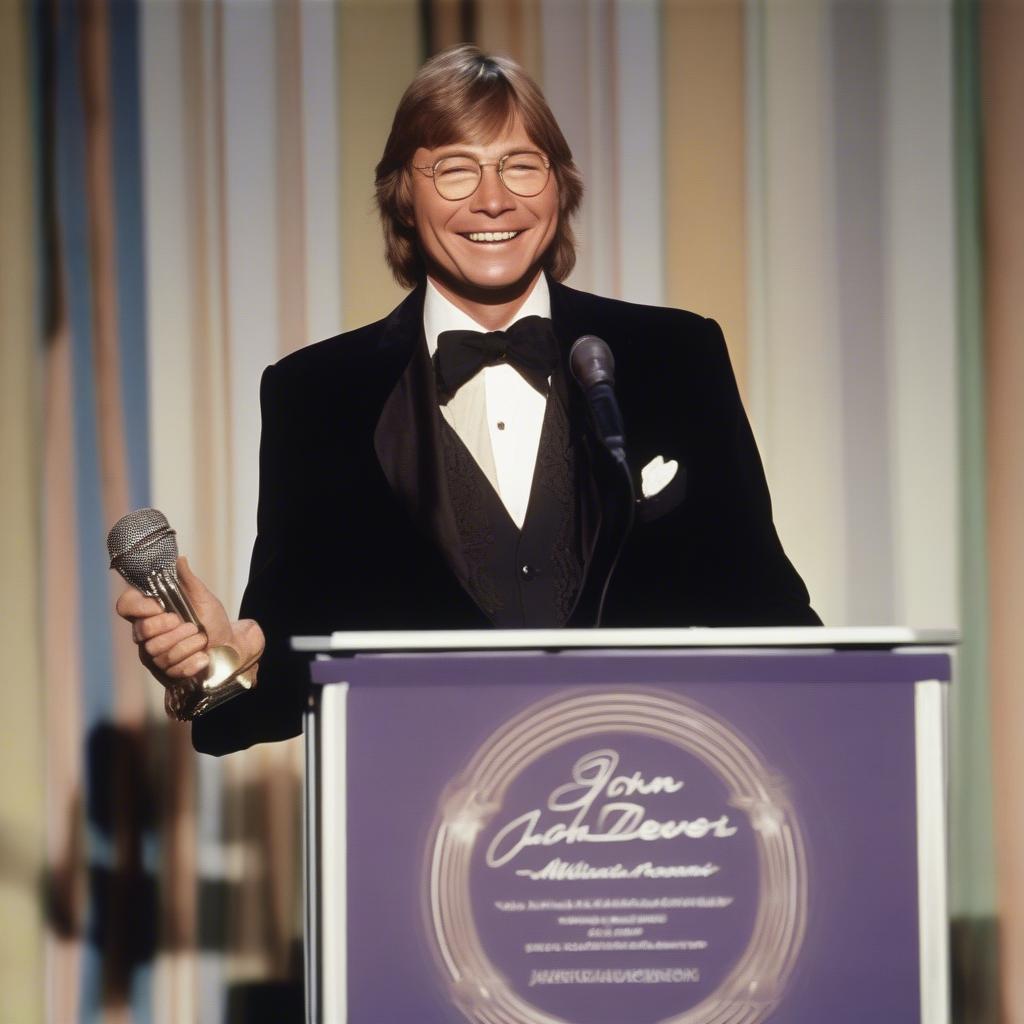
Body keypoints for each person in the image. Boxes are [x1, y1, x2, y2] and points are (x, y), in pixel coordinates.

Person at [115, 45, 819, 757]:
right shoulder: (317, 395)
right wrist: (216, 666)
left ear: (559, 187)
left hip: (652, 814)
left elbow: (776, 620)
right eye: (454, 168)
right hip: (429, 837)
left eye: (521, 164)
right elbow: (274, 693)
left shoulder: (675, 357)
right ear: (403, 195)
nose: (494, 199)